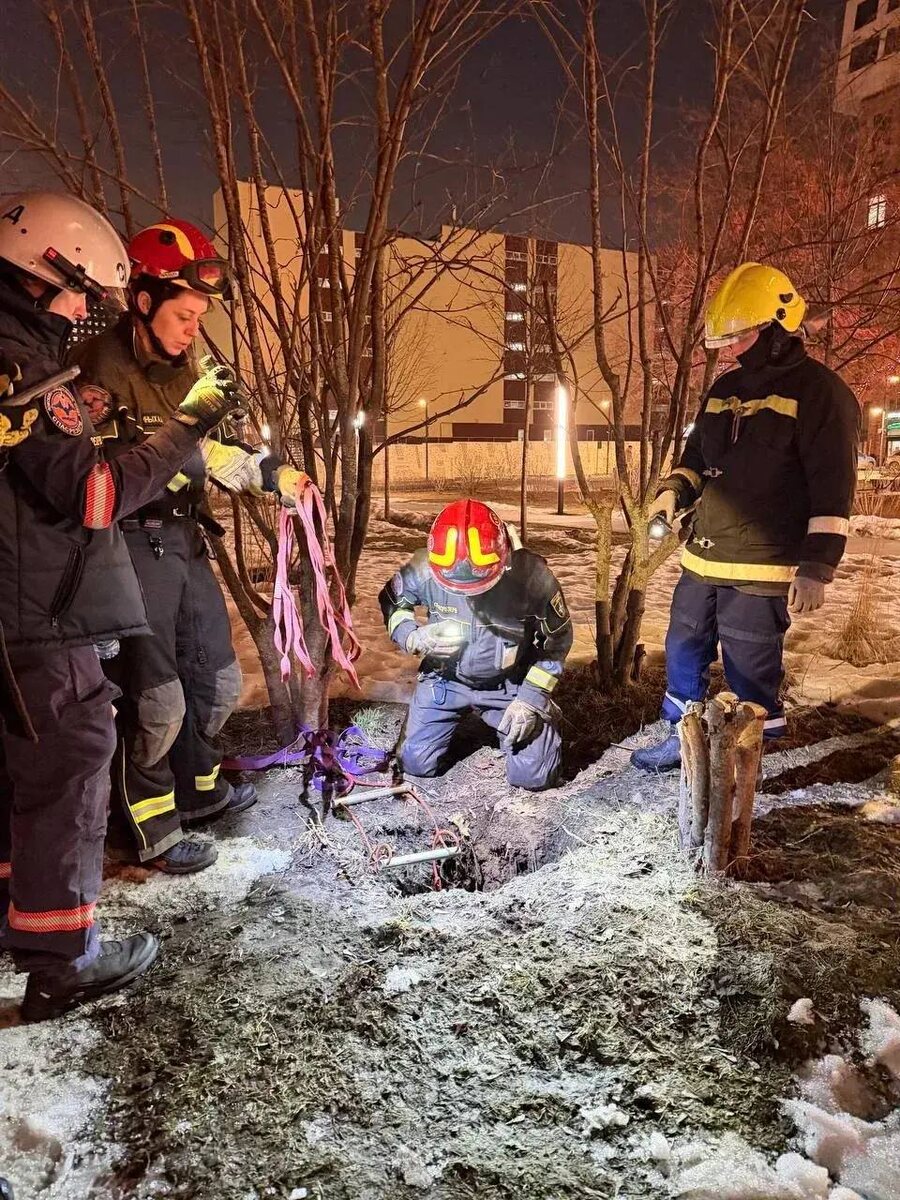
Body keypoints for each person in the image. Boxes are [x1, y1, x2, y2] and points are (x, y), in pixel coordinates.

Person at [0, 190, 241, 1021]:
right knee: (74, 752)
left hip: (25, 595)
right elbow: (95, 493)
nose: (82, 313)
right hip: (36, 606)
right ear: (42, 274)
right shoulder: (38, 372)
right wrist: (188, 426)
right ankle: (62, 959)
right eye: (79, 295)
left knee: (22, 767)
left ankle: (20, 920)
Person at [70, 218, 298, 874]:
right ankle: (150, 830)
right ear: (143, 301)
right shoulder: (95, 372)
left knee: (216, 681)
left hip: (184, 539)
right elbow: (95, 480)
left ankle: (199, 791)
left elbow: (209, 449)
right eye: (183, 314)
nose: (193, 329)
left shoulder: (188, 366)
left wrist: (273, 476)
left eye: (200, 316)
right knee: (155, 700)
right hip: (126, 550)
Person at [632, 262, 859, 772]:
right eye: (727, 339)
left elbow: (833, 487)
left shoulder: (820, 393)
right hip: (703, 556)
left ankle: (750, 758)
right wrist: (673, 491)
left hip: (763, 565)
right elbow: (696, 457)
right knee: (683, 646)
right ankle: (683, 738)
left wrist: (817, 567)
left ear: (777, 327)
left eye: (741, 336)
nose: (732, 348)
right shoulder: (723, 390)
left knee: (751, 663)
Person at [379, 499, 572, 789]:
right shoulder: (424, 568)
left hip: (509, 685)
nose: (469, 594)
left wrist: (530, 699)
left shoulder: (532, 578)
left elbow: (557, 641)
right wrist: (411, 636)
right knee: (414, 763)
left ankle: (537, 718)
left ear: (503, 558)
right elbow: (393, 602)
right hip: (444, 680)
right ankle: (448, 721)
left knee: (533, 777)